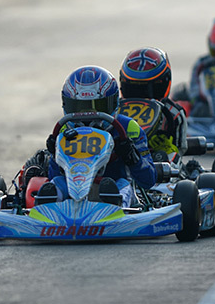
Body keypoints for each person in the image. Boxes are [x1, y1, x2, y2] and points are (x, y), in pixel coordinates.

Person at [21, 66, 156, 207]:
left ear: (113, 102)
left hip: (115, 188)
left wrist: (131, 156)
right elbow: (55, 175)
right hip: (73, 192)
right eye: (80, 107)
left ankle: (116, 204)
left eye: (97, 106)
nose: (88, 115)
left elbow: (148, 180)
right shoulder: (64, 129)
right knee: (56, 183)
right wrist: (55, 155)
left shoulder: (128, 128)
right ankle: (46, 207)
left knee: (122, 185)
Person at [119, 47, 188, 160]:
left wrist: (167, 149)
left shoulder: (173, 113)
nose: (142, 96)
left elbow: (180, 150)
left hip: (157, 163)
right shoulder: (113, 109)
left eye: (149, 89)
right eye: (134, 88)